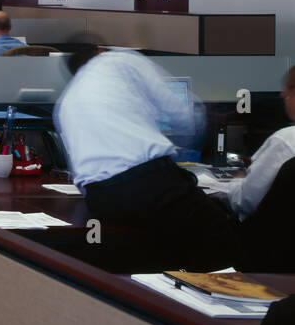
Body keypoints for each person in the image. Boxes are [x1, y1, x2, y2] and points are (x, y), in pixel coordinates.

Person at [53, 45, 238, 271]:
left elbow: (77, 167)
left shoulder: (65, 102)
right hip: (149, 181)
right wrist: (187, 145)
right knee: (217, 229)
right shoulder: (119, 60)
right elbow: (181, 114)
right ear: (101, 51)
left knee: (155, 241)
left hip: (101, 198)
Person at [224, 66, 295, 220]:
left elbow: (245, 202)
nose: (283, 94)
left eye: (290, 87)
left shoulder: (285, 141)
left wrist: (237, 180)